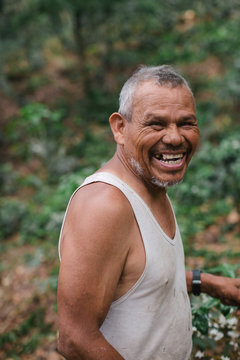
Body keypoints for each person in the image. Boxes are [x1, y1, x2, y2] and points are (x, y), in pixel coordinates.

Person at [57, 65, 240, 360]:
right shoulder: (105, 205)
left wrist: (206, 282)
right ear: (120, 128)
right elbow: (75, 339)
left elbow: (136, 280)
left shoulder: (151, 184)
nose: (175, 138)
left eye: (186, 123)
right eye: (156, 124)